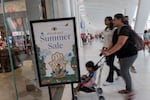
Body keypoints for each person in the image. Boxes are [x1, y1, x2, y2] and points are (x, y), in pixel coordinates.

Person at [102, 13, 138, 99]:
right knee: (123, 71)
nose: (113, 21)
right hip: (122, 55)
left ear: (119, 20)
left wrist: (109, 52)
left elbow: (120, 43)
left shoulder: (125, 29)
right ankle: (128, 89)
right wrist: (107, 50)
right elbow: (113, 43)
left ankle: (130, 91)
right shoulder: (116, 30)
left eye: (114, 20)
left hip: (130, 54)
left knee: (124, 72)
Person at [102, 16, 120, 86]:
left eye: (106, 20)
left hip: (112, 49)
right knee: (108, 63)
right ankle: (119, 72)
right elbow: (105, 40)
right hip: (105, 48)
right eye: (104, 20)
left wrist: (109, 49)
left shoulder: (114, 29)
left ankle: (110, 79)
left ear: (110, 21)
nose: (104, 22)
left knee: (111, 63)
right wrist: (103, 48)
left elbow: (114, 41)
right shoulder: (106, 29)